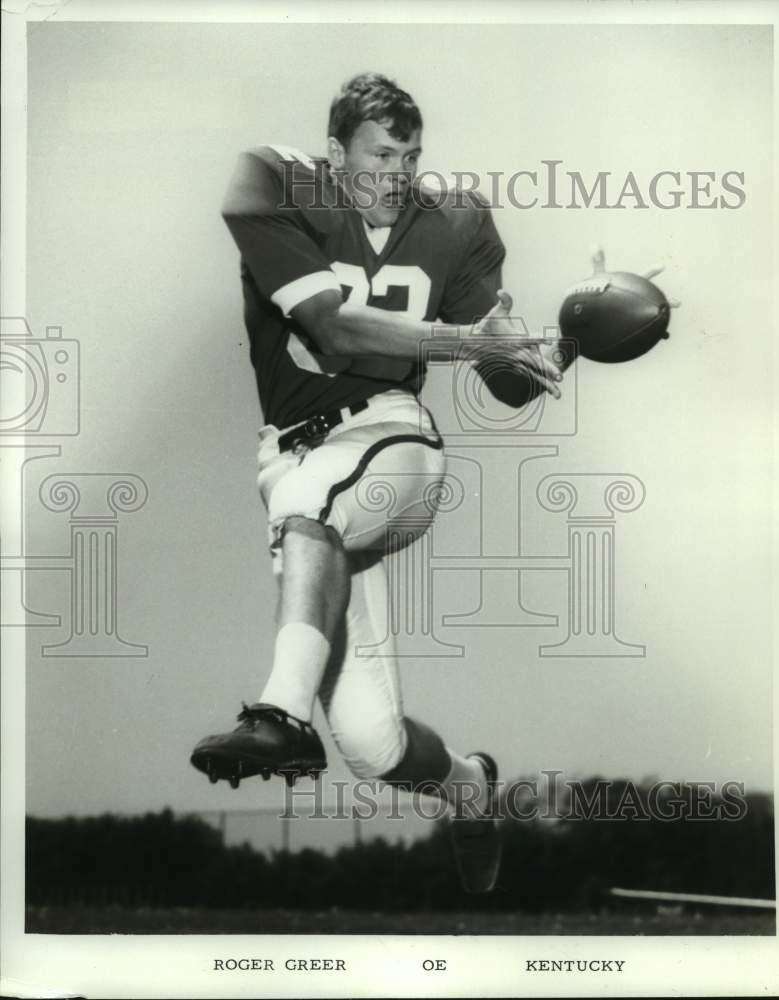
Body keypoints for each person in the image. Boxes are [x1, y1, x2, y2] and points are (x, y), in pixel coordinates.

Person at [190, 72, 563, 893]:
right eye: (382, 153)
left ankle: (277, 714)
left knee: (308, 506)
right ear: (334, 153)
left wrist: (555, 346)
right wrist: (468, 339)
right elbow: (329, 323)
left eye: (413, 155)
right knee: (372, 746)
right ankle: (468, 783)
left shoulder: (456, 222)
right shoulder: (275, 186)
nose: (399, 172)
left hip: (391, 439)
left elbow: (505, 379)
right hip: (292, 455)